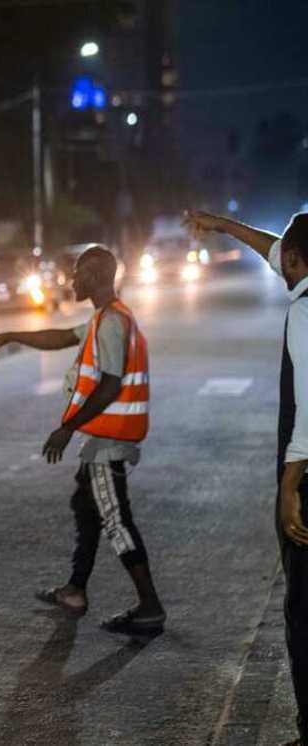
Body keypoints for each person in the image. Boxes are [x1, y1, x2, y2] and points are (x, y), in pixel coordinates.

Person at [0, 246, 166, 635]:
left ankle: (149, 606)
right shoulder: (103, 319)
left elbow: (110, 383)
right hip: (100, 439)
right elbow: (61, 336)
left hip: (108, 440)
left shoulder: (113, 322)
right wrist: (11, 334)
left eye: (78, 274)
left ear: (96, 277)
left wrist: (66, 428)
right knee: (86, 506)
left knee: (116, 521)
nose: (71, 280)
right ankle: (75, 589)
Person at [184, 209, 308, 746]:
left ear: (298, 262)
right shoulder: (303, 274)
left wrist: (288, 488)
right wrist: (223, 225)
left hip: (307, 476)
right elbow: (275, 247)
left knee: (302, 611)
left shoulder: (305, 311)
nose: (279, 265)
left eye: (287, 261)